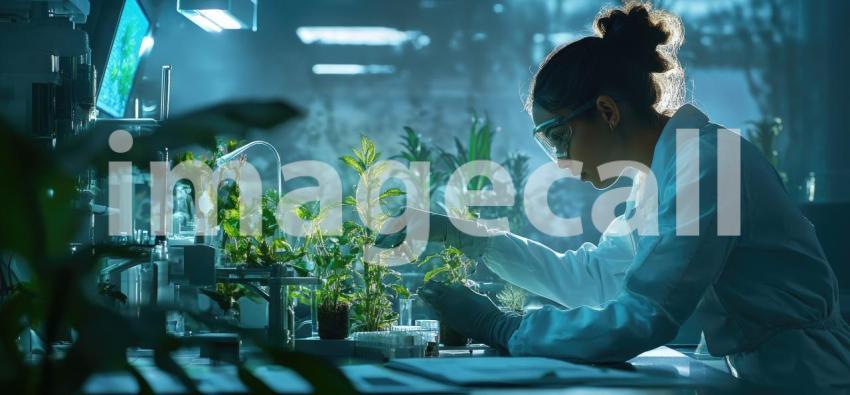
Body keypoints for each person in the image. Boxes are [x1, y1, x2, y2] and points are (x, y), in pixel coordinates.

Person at [408, 1, 850, 389]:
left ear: (607, 111)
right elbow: (598, 279)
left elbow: (648, 315)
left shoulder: (709, 166)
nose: (561, 162)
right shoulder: (658, 175)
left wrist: (502, 327)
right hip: (759, 374)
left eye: (560, 139)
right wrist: (473, 238)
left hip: (807, 378)